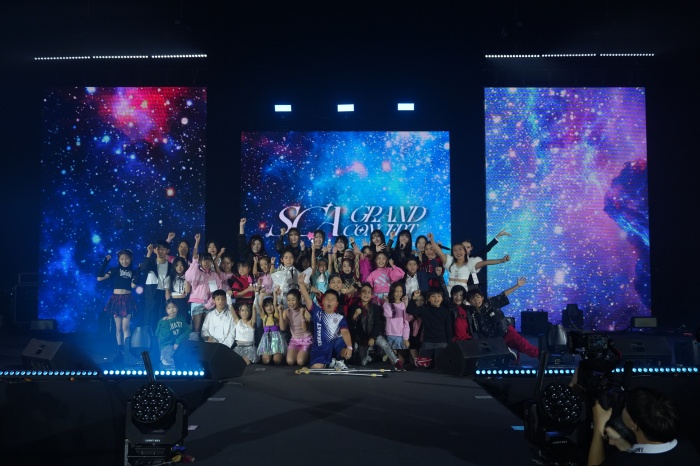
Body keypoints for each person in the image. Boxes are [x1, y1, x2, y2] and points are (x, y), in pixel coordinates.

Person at [588, 387, 700, 465]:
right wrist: (621, 442)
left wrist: (598, 427)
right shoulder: (688, 448)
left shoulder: (620, 462)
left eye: (625, 408)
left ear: (634, 425)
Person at [465, 278, 539, 359]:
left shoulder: (490, 302)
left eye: (477, 297)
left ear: (482, 297)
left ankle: (544, 357)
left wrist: (517, 285)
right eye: (472, 299)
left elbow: (503, 294)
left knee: (525, 347)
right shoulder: (471, 313)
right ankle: (509, 351)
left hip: (506, 331)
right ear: (469, 302)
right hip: (493, 340)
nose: (476, 300)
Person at [298, 274, 353, 370]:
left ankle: (339, 360)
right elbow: (306, 297)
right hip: (320, 349)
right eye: (327, 299)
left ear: (336, 304)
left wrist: (349, 347)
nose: (329, 301)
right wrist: (301, 284)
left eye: (333, 300)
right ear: (323, 301)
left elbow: (345, 332)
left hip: (334, 346)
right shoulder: (316, 312)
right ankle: (331, 363)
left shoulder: (340, 317)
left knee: (341, 341)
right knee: (316, 367)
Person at [348, 283, 404, 369]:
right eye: (364, 292)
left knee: (384, 344)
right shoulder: (353, 307)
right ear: (359, 294)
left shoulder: (376, 308)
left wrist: (372, 337)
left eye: (369, 292)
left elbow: (378, 324)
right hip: (362, 339)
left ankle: (396, 360)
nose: (366, 294)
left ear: (372, 295)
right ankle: (370, 357)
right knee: (363, 363)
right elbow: (351, 326)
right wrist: (355, 316)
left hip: (374, 335)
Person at [96, 249, 138, 358]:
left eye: (127, 259)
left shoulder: (133, 271)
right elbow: (99, 278)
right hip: (116, 299)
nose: (124, 261)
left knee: (125, 326)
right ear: (119, 260)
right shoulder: (114, 270)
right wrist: (105, 262)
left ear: (131, 259)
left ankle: (127, 350)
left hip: (127, 299)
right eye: (122, 259)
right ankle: (120, 350)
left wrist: (138, 272)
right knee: (118, 327)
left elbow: (133, 286)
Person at [406, 288, 453, 368]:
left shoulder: (445, 312)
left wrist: (449, 345)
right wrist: (413, 298)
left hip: (441, 343)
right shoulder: (425, 308)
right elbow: (410, 310)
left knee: (440, 367)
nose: (436, 298)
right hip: (427, 342)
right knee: (423, 366)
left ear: (442, 298)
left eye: (439, 296)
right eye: (433, 296)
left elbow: (448, 330)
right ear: (428, 299)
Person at [185, 240, 223, 339]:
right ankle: (195, 346)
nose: (206, 263)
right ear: (200, 261)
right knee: (196, 330)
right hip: (196, 303)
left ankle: (207, 346)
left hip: (209, 304)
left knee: (207, 330)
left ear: (211, 262)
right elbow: (188, 277)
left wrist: (209, 304)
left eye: (209, 260)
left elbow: (218, 291)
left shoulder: (214, 275)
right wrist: (195, 262)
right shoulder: (196, 271)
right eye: (204, 260)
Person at [139, 239, 174, 330]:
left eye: (163, 249)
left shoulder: (171, 266)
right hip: (151, 293)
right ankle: (150, 336)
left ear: (167, 251)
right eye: (158, 249)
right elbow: (143, 268)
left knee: (163, 315)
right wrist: (149, 252)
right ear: (155, 250)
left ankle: (162, 336)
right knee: (151, 316)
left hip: (164, 294)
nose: (161, 251)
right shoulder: (150, 264)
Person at [278, 288, 312, 366]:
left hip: (305, 340)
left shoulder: (305, 311)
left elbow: (305, 330)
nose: (291, 303)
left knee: (300, 361)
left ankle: (309, 353)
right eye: (288, 300)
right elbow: (282, 328)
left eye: (293, 300)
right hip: (294, 340)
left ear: (299, 300)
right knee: (290, 361)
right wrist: (280, 312)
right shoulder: (287, 311)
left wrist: (302, 316)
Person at [155, 300, 192, 367]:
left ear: (177, 308)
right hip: (167, 345)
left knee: (193, 336)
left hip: (179, 343)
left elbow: (187, 330)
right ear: (166, 310)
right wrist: (165, 324)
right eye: (168, 308)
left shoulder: (180, 318)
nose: (171, 310)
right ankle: (164, 357)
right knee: (174, 359)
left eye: (173, 307)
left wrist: (178, 342)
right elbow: (160, 337)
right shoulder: (162, 322)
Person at [383, 281, 410, 366]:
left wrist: (406, 338)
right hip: (390, 335)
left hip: (400, 335)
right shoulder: (387, 304)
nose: (399, 294)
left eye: (401, 291)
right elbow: (389, 314)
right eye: (396, 291)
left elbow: (406, 322)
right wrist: (387, 303)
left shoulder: (403, 305)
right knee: (393, 362)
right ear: (392, 292)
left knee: (401, 362)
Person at [256, 294, 287, 365]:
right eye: (267, 306)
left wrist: (275, 293)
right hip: (266, 340)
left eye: (271, 305)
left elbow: (275, 304)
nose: (269, 307)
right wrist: (261, 295)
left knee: (277, 361)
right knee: (266, 361)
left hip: (276, 340)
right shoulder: (264, 316)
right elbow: (259, 306)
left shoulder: (276, 315)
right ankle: (269, 356)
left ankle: (276, 355)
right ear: (264, 308)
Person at [168, 257, 191, 323]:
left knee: (184, 320)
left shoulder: (187, 277)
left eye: (181, 265)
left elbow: (187, 291)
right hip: (173, 301)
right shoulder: (170, 278)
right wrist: (169, 304)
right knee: (174, 321)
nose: (179, 267)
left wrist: (187, 279)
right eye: (177, 265)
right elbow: (167, 292)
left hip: (183, 301)